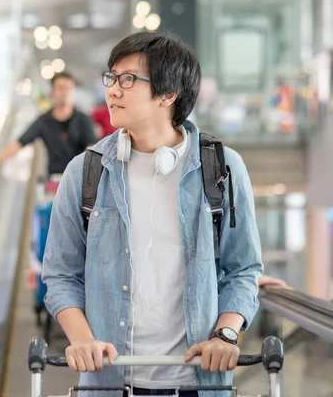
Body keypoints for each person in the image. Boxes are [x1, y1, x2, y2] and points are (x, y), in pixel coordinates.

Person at [41, 31, 263, 397]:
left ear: (169, 93)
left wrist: (226, 333)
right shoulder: (85, 172)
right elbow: (60, 273)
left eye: (128, 79)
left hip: (199, 384)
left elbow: (244, 269)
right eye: (111, 78)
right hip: (111, 384)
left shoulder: (221, 168)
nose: (112, 90)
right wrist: (82, 341)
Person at [0, 72, 97, 176]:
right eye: (60, 88)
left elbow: (91, 147)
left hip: (79, 176)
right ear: (52, 92)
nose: (65, 92)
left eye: (69, 88)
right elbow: (19, 143)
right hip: (55, 178)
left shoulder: (83, 119)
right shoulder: (44, 121)